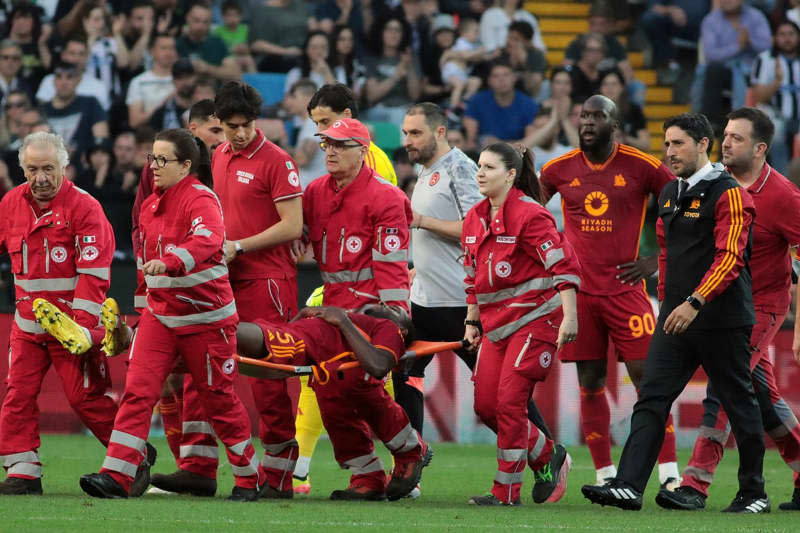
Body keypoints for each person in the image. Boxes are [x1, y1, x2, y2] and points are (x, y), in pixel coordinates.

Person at [581, 113, 768, 513]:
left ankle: (753, 493)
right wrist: (668, 301)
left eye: (678, 143)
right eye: (666, 144)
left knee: (738, 403)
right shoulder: (668, 192)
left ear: (704, 144)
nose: (669, 152)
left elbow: (730, 257)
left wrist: (694, 301)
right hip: (677, 317)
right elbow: (666, 255)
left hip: (722, 319)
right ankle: (629, 486)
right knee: (651, 397)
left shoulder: (730, 193)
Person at [79, 128, 260, 502]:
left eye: (162, 160)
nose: (154, 167)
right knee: (137, 393)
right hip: (161, 318)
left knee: (220, 401)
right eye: (152, 159)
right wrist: (141, 317)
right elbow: (148, 270)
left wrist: (173, 261)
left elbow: (207, 241)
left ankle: (248, 478)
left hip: (206, 321)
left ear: (186, 166)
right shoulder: (150, 206)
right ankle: (116, 475)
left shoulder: (202, 200)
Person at [149, 81, 304, 499]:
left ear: (257, 119)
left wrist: (238, 246)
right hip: (225, 278)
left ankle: (277, 478)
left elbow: (292, 225)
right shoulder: (218, 155)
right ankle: (198, 466)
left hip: (268, 280)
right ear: (217, 122)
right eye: (231, 125)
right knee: (206, 370)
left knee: (269, 380)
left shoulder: (277, 161)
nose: (239, 133)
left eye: (246, 124)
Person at [655, 108, 800, 512]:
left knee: (722, 388)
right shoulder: (715, 184)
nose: (727, 142)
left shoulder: (785, 197)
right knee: (763, 400)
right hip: (721, 306)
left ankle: (695, 484)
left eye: (737, 137)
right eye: (727, 135)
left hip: (762, 306)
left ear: (760, 148)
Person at [539, 95, 679, 489]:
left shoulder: (643, 166)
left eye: (597, 116)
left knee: (648, 380)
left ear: (614, 124)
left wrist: (656, 260)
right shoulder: (558, 169)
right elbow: (528, 211)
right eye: (583, 115)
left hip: (626, 291)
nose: (587, 122)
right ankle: (604, 473)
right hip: (579, 295)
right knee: (590, 381)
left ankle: (668, 472)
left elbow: (683, 206)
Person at [0, 131, 146, 496]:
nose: (41, 178)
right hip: (27, 325)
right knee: (17, 394)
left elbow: (94, 275)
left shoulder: (85, 208)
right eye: (32, 169)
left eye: (48, 168)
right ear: (23, 169)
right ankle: (22, 471)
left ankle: (133, 456)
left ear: (64, 166)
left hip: (72, 328)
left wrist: (80, 330)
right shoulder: (9, 205)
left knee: (86, 399)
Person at [290, 84, 400, 494]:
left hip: (369, 299)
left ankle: (402, 457)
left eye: (328, 127)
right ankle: (385, 463)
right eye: (320, 133)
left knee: (354, 378)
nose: (326, 145)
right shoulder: (324, 184)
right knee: (329, 377)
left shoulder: (376, 172)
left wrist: (389, 307)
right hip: (339, 293)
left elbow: (385, 242)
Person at [461, 142, 579, 506]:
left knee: (510, 405)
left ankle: (505, 492)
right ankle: (546, 454)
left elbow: (563, 267)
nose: (480, 173)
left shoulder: (532, 216)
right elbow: (472, 277)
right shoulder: (473, 218)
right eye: (479, 166)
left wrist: (570, 316)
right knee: (485, 407)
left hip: (536, 320)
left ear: (511, 175)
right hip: (497, 327)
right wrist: (471, 320)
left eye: (489, 167)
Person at [237, 304, 432, 501]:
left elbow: (378, 365)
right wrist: (303, 317)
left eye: (397, 310)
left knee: (352, 391)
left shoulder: (387, 328)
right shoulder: (351, 324)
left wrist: (342, 320)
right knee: (335, 403)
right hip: (307, 348)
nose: (383, 303)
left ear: (403, 329)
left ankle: (219, 328)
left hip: (302, 344)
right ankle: (368, 475)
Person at [307, 83, 397, 185]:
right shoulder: (333, 154)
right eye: (316, 123)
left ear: (347, 115)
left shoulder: (372, 163)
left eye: (325, 121)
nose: (319, 131)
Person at [749, 20, 800, 174]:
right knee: (776, 134)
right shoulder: (764, 59)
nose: (787, 39)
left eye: (791, 34)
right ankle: (783, 181)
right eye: (782, 34)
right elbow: (758, 97)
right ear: (775, 38)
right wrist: (776, 82)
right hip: (774, 114)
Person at [41, 60, 108, 159]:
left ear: (78, 80)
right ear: (53, 81)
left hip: (84, 166)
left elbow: (101, 139)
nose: (64, 82)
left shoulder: (91, 103)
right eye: (59, 77)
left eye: (69, 77)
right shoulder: (42, 110)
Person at [463, 61, 538, 150]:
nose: (501, 79)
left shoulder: (529, 104)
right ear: (489, 81)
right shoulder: (476, 100)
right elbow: (470, 142)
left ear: (514, 78)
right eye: (496, 76)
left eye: (506, 75)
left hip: (516, 154)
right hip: (484, 152)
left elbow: (530, 142)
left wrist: (500, 144)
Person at [176, 3, 240, 81]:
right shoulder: (178, 44)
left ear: (210, 23)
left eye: (205, 22)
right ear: (187, 18)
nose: (200, 26)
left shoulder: (218, 43)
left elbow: (235, 74)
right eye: (196, 20)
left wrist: (207, 68)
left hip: (214, 91)